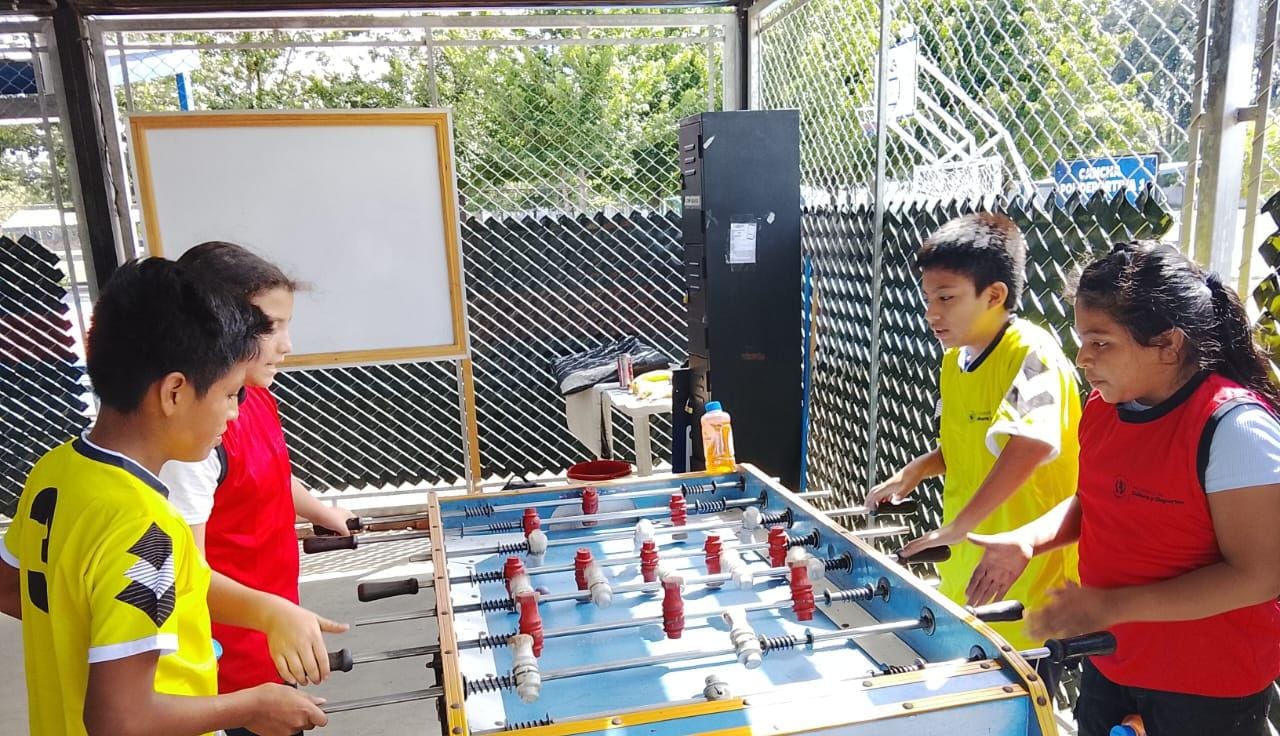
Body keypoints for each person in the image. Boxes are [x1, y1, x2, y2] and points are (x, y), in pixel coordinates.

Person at [0, 258, 328, 735]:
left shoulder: (55, 471)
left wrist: (266, 611)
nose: (234, 414)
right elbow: (121, 720)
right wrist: (251, 706)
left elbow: (9, 585)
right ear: (174, 392)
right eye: (229, 395)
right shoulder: (147, 527)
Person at [966, 241, 1280, 736]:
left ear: (1169, 344)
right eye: (1081, 340)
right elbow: (1098, 501)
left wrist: (1111, 606)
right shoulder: (1103, 408)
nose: (1082, 358)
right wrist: (1029, 539)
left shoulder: (1233, 427)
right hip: (1113, 662)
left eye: (1101, 343)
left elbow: (1259, 576)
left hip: (1207, 687)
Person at [865, 213, 1081, 671]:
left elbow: (1029, 445)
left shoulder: (1033, 353)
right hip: (966, 574)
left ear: (994, 295)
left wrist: (958, 526)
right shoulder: (953, 361)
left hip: (1027, 588)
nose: (932, 313)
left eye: (947, 297)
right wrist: (917, 470)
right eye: (928, 298)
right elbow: (968, 445)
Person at [160, 242, 354, 716]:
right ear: (218, 326)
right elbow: (187, 579)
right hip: (226, 664)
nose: (287, 345)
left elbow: (269, 474)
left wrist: (322, 511)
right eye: (271, 327)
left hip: (272, 632)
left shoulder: (253, 396)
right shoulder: (193, 442)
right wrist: (269, 620)